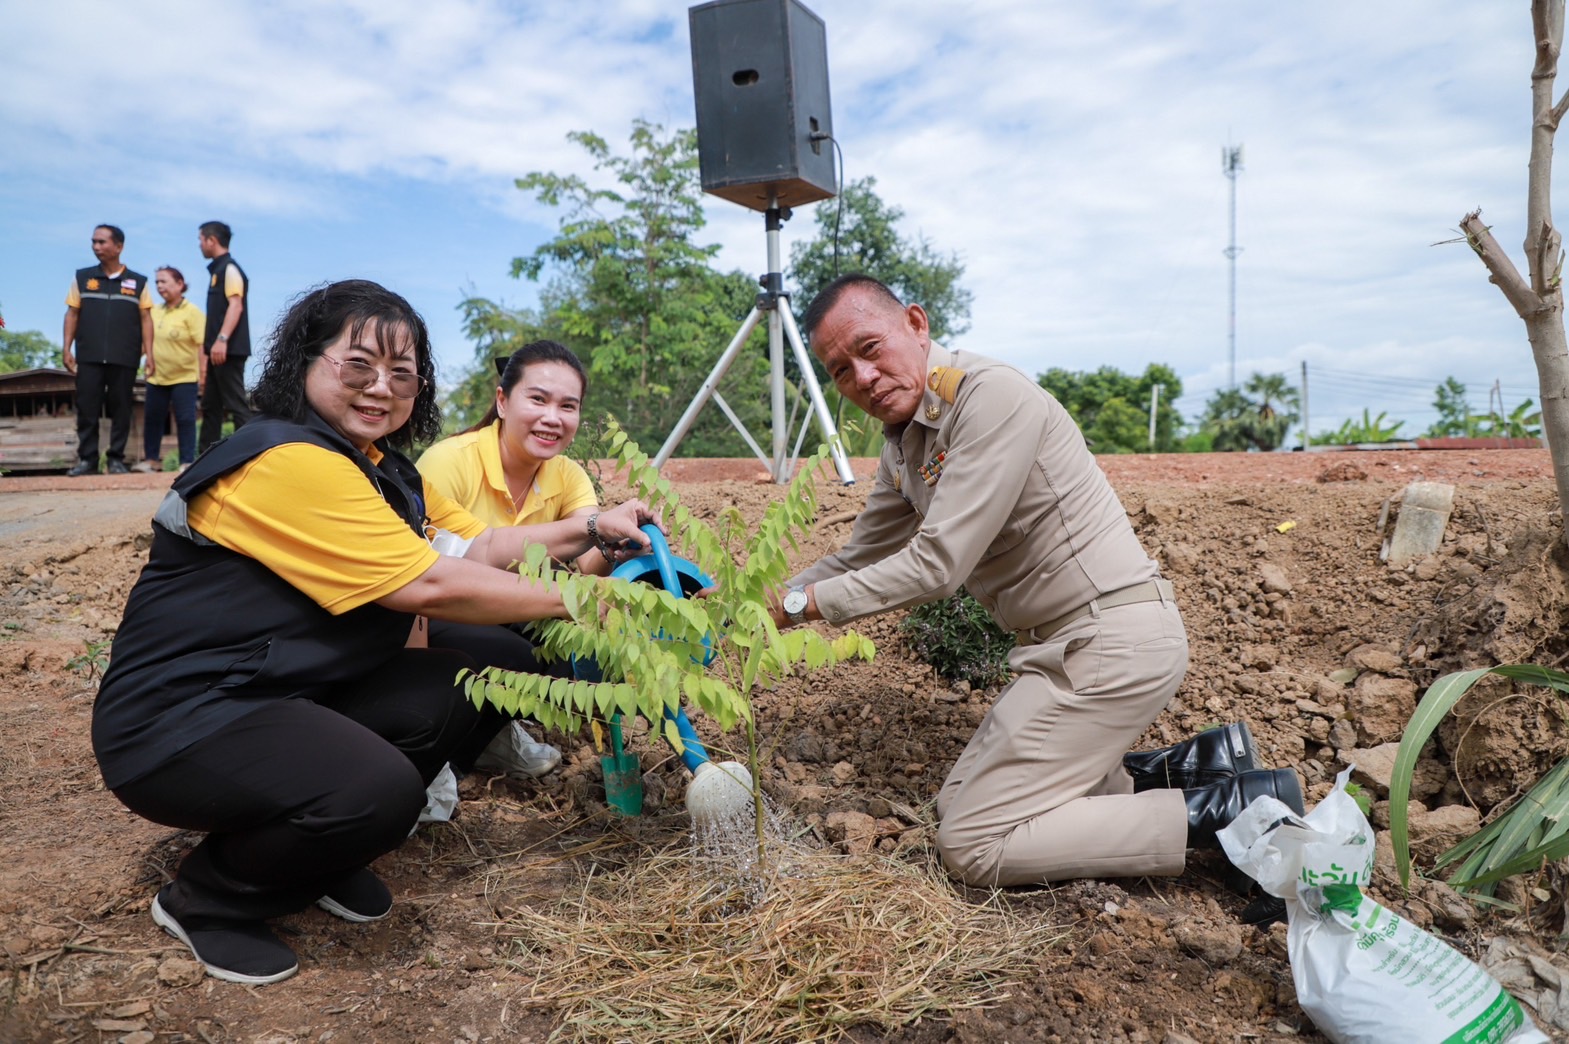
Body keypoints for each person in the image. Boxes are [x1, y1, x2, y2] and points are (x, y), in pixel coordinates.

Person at [92, 280, 658, 986]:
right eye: (357, 366)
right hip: (181, 720)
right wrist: (589, 603)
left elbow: (469, 552)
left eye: (403, 374)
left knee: (474, 675)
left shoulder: (375, 468)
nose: (380, 388)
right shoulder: (285, 461)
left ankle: (319, 853)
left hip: (278, 687)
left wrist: (593, 527)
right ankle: (209, 899)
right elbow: (426, 587)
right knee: (379, 790)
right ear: (304, 361)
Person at [771, 274, 1302, 890]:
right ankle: (1203, 766)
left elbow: (938, 566)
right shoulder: (905, 443)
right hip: (1060, 648)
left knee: (971, 842)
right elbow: (859, 556)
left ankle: (1238, 812)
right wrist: (756, 603)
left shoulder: (989, 399)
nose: (861, 379)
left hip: (1108, 640)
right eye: (839, 371)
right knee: (958, 804)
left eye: (869, 349)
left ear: (916, 326)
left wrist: (797, 608)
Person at [417, 340, 642, 779]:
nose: (552, 418)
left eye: (567, 406)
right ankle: (435, 747)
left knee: (578, 647)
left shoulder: (566, 473)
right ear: (502, 401)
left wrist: (617, 552)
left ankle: (488, 736)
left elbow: (584, 564)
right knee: (518, 654)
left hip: (515, 608)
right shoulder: (450, 463)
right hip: (438, 610)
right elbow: (452, 567)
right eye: (537, 399)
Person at [62, 224, 154, 475]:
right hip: (89, 355)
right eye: (94, 242)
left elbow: (146, 319)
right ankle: (88, 460)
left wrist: (150, 354)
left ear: (119, 246)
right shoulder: (82, 278)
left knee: (121, 407)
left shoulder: (138, 283)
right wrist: (66, 348)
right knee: (87, 407)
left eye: (102, 242)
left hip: (125, 356)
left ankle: (116, 459)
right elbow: (72, 313)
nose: (96, 247)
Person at [133, 267, 205, 473]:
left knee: (185, 419)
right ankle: (152, 460)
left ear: (179, 284)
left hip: (184, 376)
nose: (159, 286)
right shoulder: (154, 311)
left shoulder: (192, 312)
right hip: (156, 376)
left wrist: (204, 375)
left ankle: (187, 461)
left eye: (164, 282)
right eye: (157, 282)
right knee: (153, 418)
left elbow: (202, 346)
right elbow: (144, 342)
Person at [197, 221, 255, 452]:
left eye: (201, 240)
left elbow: (236, 306)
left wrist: (222, 340)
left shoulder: (230, 269)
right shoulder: (217, 271)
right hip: (216, 351)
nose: (199, 245)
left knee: (236, 403)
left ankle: (251, 452)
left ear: (212, 240)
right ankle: (205, 457)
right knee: (211, 405)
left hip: (227, 350)